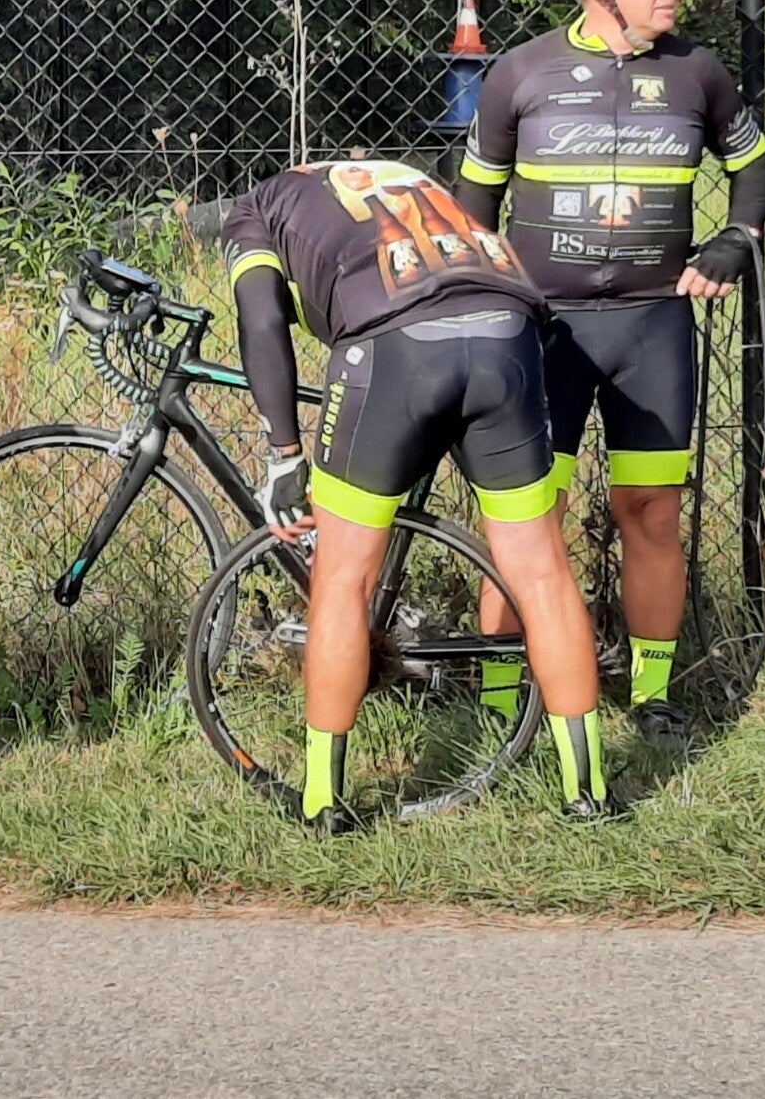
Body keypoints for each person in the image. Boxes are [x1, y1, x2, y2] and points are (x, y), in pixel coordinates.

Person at [454, 0, 765, 747]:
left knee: (652, 509)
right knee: (528, 519)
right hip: (543, 331)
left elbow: (755, 166)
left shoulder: (698, 72)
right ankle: (500, 698)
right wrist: (485, 302)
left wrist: (736, 239)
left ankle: (654, 693)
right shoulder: (520, 72)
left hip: (652, 327)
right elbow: (471, 208)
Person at [224, 159, 620, 827]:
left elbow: (262, 321)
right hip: (508, 331)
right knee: (543, 573)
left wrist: (285, 454)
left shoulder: (256, 208)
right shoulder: (404, 176)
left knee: (344, 578)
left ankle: (323, 802)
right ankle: (591, 792)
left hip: (395, 345)